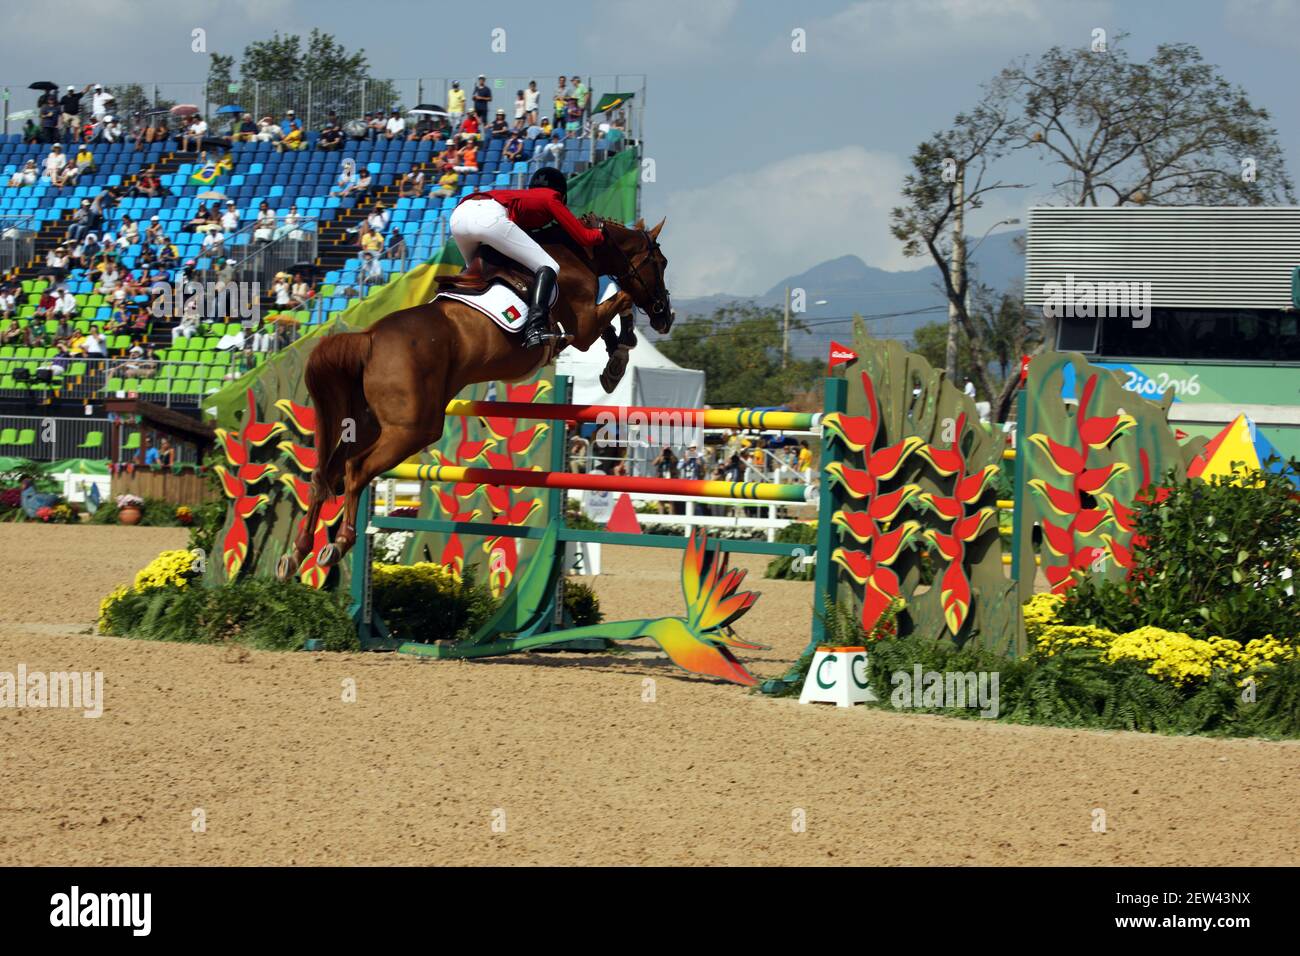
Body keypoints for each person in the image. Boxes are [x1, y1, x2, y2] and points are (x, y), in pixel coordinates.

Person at [448, 166, 604, 349]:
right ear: (561, 193)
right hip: (488, 217)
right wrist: (599, 230)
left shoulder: (521, 196)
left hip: (458, 216)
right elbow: (585, 238)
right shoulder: (551, 197)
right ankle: (534, 329)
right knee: (549, 265)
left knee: (474, 273)